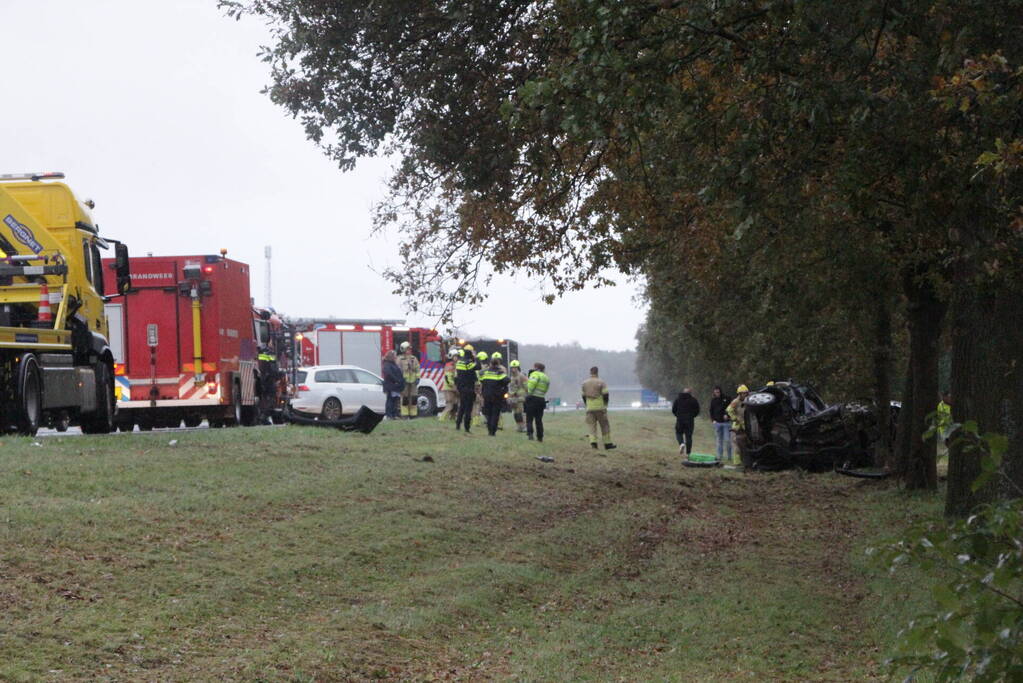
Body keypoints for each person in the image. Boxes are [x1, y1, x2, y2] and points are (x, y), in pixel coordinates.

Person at [581, 366, 616, 451]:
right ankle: (607, 444)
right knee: (605, 426)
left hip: (589, 408)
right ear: (597, 372)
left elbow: (583, 396)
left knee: (592, 426)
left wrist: (587, 405)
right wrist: (605, 404)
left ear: (590, 372)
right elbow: (606, 394)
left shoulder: (584, 383)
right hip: (600, 407)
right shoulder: (601, 382)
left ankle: (593, 444)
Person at [479, 357, 510, 436]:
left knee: (489, 414)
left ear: (490, 364)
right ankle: (493, 431)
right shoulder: (499, 373)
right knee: (495, 414)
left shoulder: (485, 373)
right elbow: (507, 380)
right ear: (498, 364)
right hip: (497, 396)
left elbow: (481, 380)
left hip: (486, 395)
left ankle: (489, 430)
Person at [454, 345, 478, 433]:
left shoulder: (459, 362)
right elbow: (477, 367)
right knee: (468, 409)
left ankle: (458, 424)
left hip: (461, 388)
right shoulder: (468, 363)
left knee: (462, 407)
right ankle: (467, 428)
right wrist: (476, 358)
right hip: (469, 388)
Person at [671, 387, 700, 457]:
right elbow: (697, 410)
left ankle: (681, 443)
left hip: (680, 419)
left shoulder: (678, 399)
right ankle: (688, 453)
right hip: (689, 420)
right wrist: (692, 416)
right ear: (690, 393)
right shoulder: (693, 400)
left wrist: (678, 415)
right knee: (689, 436)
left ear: (683, 392)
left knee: (678, 433)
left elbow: (674, 409)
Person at [525, 362, 550, 442]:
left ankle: (530, 434)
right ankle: (540, 437)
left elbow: (531, 385)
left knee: (529, 418)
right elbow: (546, 389)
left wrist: (528, 393)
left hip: (532, 398)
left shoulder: (535, 374)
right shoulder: (546, 377)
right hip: (541, 399)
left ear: (536, 367)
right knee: (539, 420)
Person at [396, 341, 421, 418]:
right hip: (404, 382)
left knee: (414, 398)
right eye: (407, 349)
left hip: (413, 382)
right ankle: (405, 414)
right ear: (403, 350)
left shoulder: (414, 358)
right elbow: (398, 371)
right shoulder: (400, 359)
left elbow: (417, 369)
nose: (409, 351)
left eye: (410, 349)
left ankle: (413, 414)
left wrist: (418, 378)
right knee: (405, 399)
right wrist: (400, 380)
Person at [709, 385, 733, 463]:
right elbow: (711, 411)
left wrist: (728, 415)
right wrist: (713, 420)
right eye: (715, 392)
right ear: (714, 392)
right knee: (719, 441)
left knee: (728, 440)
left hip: (726, 423)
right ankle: (719, 456)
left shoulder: (727, 398)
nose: (717, 393)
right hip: (717, 423)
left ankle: (730, 456)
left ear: (720, 391)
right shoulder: (713, 400)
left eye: (718, 392)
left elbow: (731, 408)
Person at [727, 385, 750, 464]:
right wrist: (734, 418)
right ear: (739, 394)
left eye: (746, 393)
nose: (745, 395)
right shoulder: (735, 402)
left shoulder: (748, 401)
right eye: (743, 393)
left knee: (746, 443)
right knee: (736, 444)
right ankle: (737, 462)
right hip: (737, 426)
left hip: (746, 425)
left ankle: (745, 460)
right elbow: (729, 410)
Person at [381, 350, 404, 419]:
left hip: (395, 386)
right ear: (391, 356)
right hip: (391, 386)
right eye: (395, 356)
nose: (396, 357)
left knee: (395, 400)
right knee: (390, 400)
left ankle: (394, 415)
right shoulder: (387, 364)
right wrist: (396, 380)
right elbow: (389, 374)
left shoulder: (393, 364)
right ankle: (389, 415)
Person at [438, 348, 460, 421]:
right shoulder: (449, 366)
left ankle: (452, 418)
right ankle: (442, 419)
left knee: (455, 405)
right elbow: (448, 379)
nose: (456, 358)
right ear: (451, 356)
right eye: (455, 356)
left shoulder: (456, 365)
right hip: (449, 388)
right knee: (450, 405)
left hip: (454, 388)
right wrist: (453, 386)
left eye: (457, 356)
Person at [507, 360, 528, 432]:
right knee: (515, 413)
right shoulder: (511, 377)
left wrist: (525, 394)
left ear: (518, 368)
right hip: (513, 397)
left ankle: (524, 426)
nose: (513, 369)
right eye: (512, 368)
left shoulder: (522, 376)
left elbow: (527, 387)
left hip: (520, 397)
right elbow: (511, 387)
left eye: (515, 368)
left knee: (520, 412)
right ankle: (519, 426)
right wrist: (509, 395)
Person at [472, 351, 487, 426]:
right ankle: (477, 422)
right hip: (480, 387)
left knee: (475, 404)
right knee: (479, 405)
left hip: (474, 386)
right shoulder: (484, 368)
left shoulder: (474, 366)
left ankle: (475, 421)